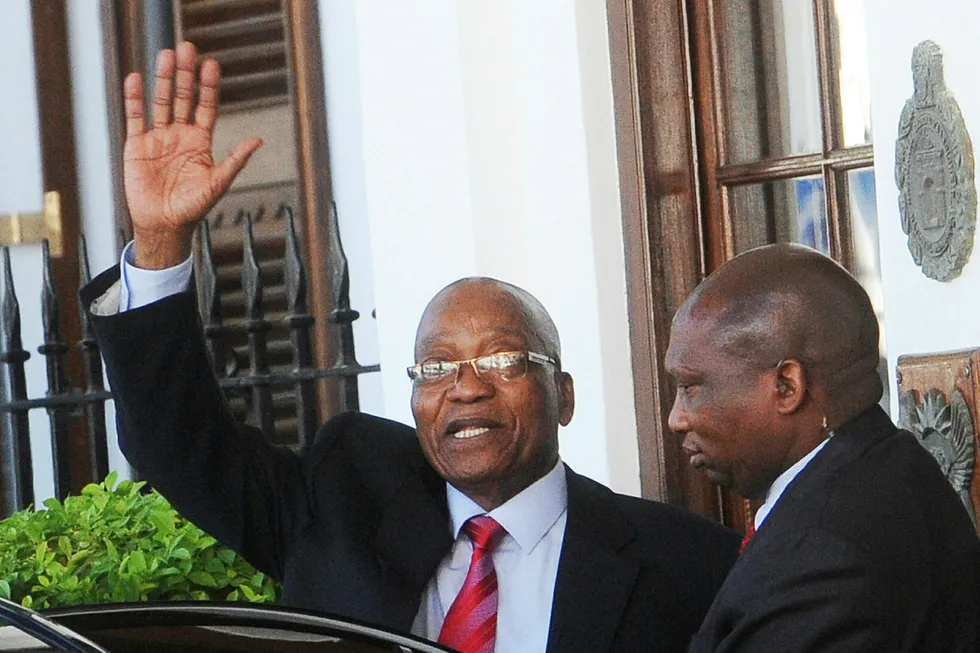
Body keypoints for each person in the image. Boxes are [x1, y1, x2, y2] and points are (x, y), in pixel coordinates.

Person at [81, 42, 739, 653]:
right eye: (437, 367)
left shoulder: (686, 564)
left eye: (503, 360)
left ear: (562, 394)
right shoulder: (343, 501)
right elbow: (178, 446)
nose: (466, 385)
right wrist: (161, 244)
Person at [665, 243, 980, 652]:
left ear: (787, 386)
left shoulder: (825, 555)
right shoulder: (886, 467)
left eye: (691, 387)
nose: (676, 419)